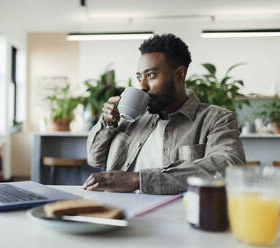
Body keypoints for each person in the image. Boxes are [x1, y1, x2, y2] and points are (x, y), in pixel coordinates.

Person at [83, 33, 246, 194]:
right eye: (140, 77)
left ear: (179, 75)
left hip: (176, 214)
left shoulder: (216, 119)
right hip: (118, 210)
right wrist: (108, 123)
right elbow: (95, 159)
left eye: (151, 75)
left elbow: (229, 166)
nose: (143, 86)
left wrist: (137, 180)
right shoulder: (131, 118)